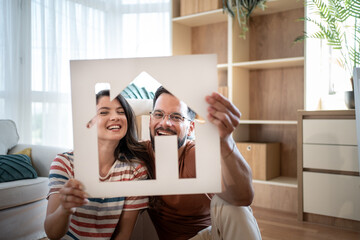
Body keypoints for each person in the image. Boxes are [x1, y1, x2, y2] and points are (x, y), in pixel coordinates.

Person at [144, 86, 261, 240]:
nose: (165, 123)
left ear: (191, 128)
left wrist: (225, 141)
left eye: (176, 117)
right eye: (159, 114)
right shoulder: (139, 153)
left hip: (210, 236)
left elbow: (243, 197)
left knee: (231, 205)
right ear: (151, 119)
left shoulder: (195, 155)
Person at [44, 90, 151, 239]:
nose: (115, 117)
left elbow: (123, 234)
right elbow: (52, 233)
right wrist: (65, 209)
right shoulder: (64, 162)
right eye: (103, 112)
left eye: (121, 112)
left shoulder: (135, 170)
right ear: (89, 122)